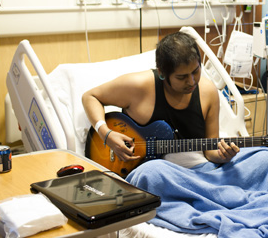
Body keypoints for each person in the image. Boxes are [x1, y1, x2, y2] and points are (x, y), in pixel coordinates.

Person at [82, 31, 240, 167]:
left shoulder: (208, 92)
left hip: (195, 169)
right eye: (181, 77)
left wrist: (223, 156)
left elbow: (210, 150)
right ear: (163, 73)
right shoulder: (138, 86)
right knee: (153, 173)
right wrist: (106, 134)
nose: (192, 81)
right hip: (152, 171)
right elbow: (90, 97)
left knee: (262, 156)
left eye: (196, 71)